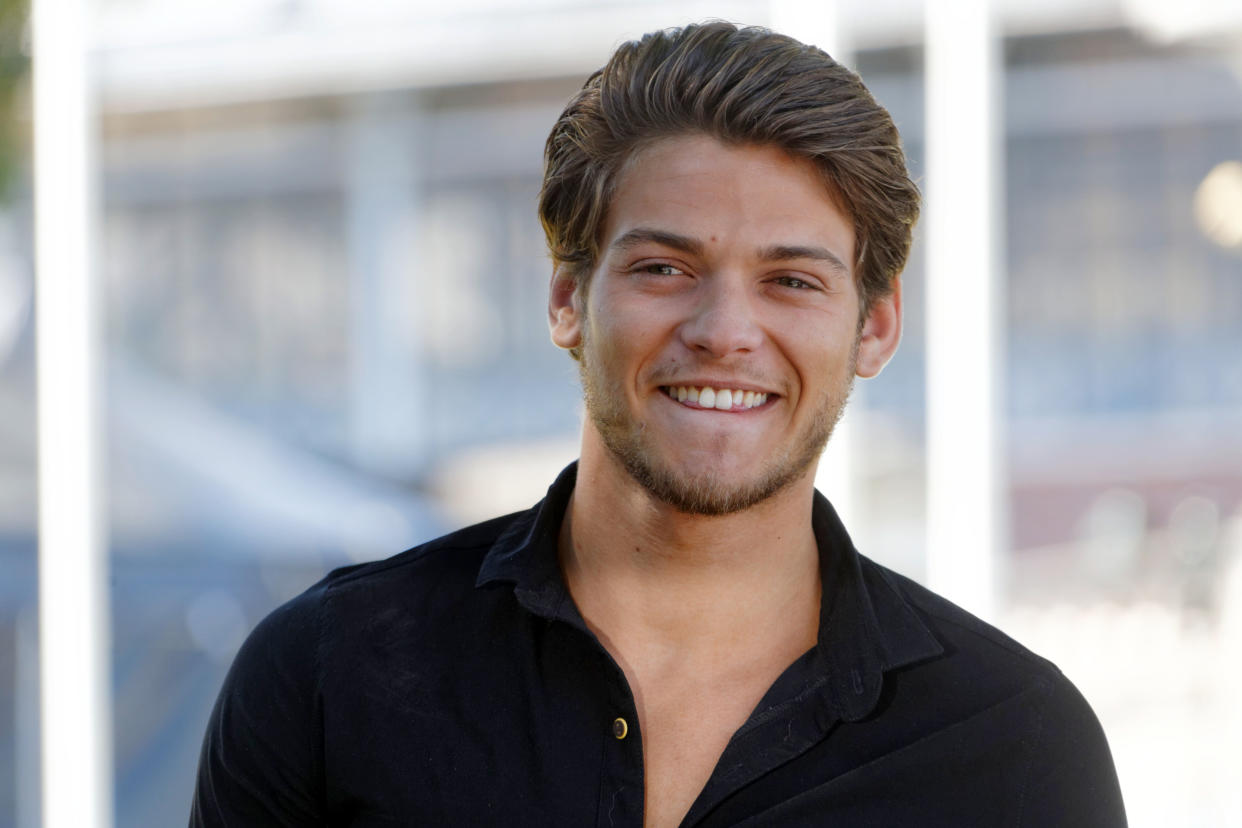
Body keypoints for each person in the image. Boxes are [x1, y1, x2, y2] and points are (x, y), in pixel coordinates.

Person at [191, 22, 1126, 827]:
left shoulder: (1013, 745)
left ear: (874, 325)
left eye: (791, 280)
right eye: (665, 269)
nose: (724, 333)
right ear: (568, 297)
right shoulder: (328, 677)